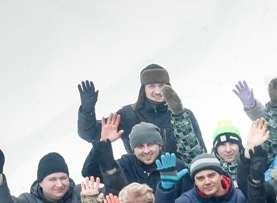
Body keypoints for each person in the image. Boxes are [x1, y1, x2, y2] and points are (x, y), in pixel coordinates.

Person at [76, 65, 205, 159]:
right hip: (140, 180)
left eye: (162, 85)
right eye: (151, 86)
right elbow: (89, 134)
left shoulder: (181, 115)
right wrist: (87, 110)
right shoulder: (128, 114)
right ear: (143, 89)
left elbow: (200, 151)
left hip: (178, 178)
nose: (158, 91)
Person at [87, 121, 193, 198]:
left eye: (150, 144)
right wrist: (102, 143)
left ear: (160, 146)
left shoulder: (175, 165)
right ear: (133, 150)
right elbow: (91, 172)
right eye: (140, 146)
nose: (146, 151)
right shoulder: (126, 163)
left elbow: (189, 198)